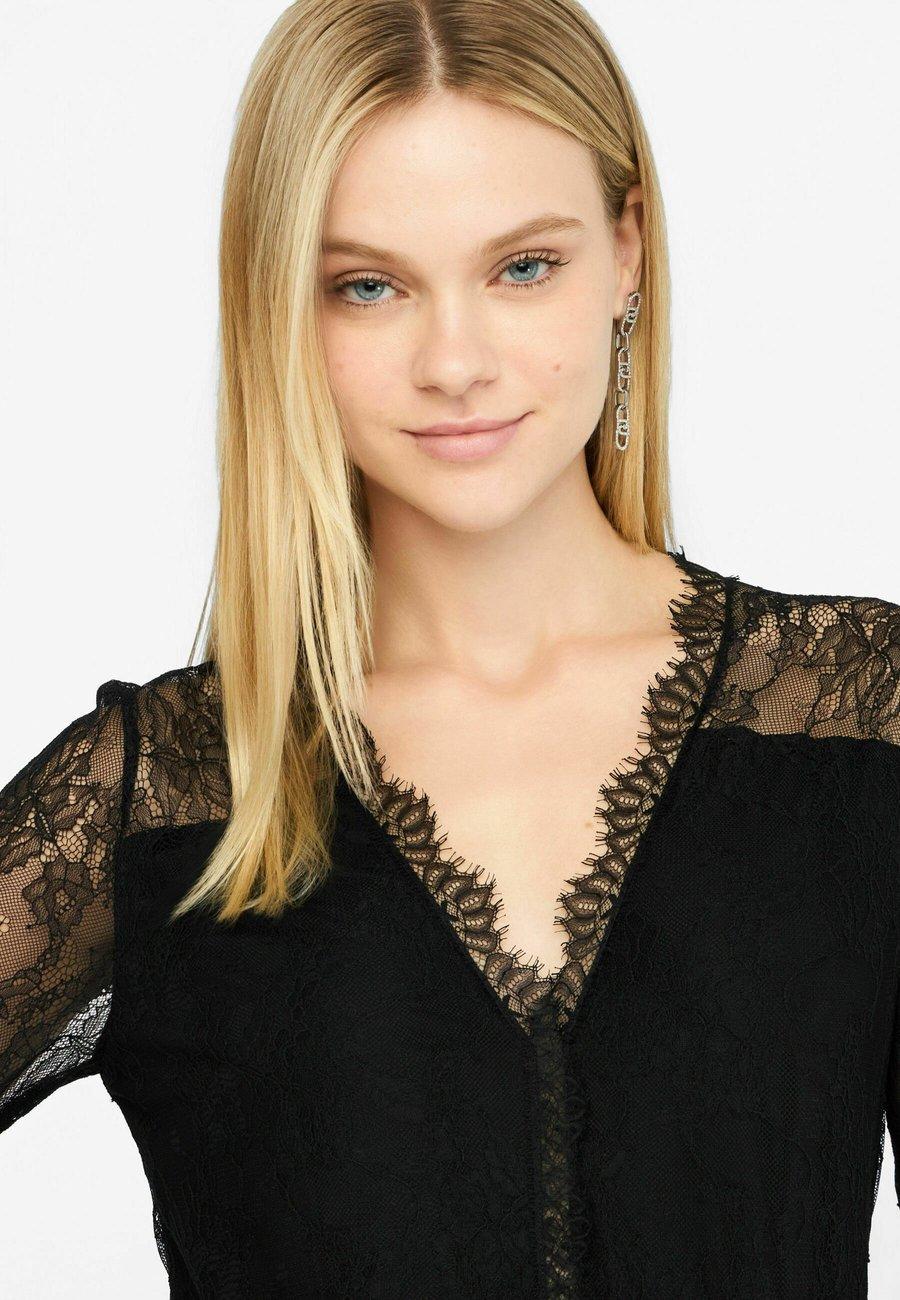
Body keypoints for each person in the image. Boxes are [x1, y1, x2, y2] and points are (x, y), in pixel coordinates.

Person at [2, 1, 898, 1295]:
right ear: (281, 307)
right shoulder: (166, 798)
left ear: (627, 251)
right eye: (368, 286)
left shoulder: (863, 725)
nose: (456, 361)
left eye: (522, 267)